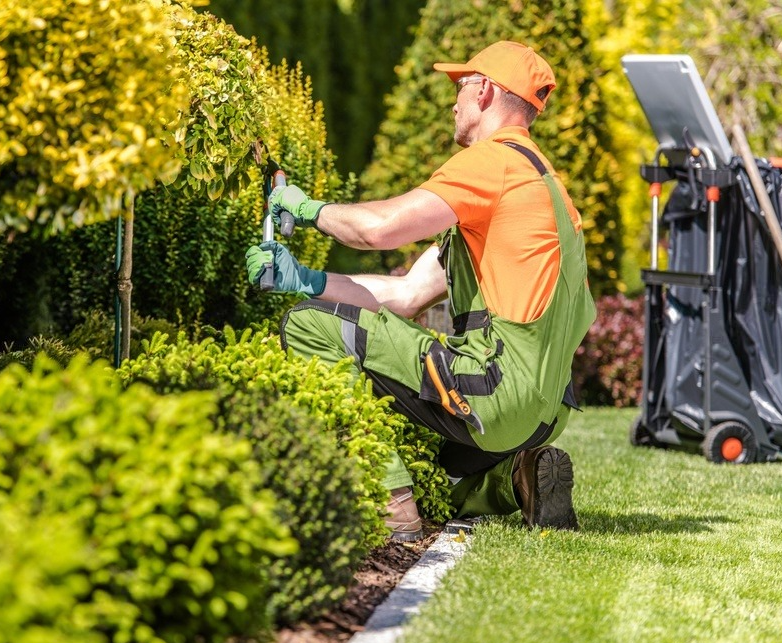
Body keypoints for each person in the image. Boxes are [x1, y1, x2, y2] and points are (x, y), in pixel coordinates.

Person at [245, 41, 596, 540]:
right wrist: (305, 280)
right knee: (427, 460)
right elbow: (407, 294)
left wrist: (306, 208)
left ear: (485, 91)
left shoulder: (493, 162)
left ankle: (390, 506)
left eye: (460, 87)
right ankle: (515, 479)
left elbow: (377, 230)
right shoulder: (544, 187)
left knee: (305, 325)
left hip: (494, 392)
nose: (453, 101)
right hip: (542, 413)